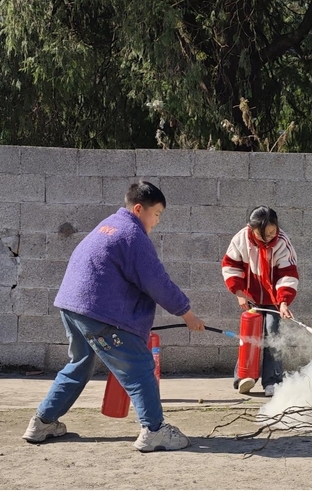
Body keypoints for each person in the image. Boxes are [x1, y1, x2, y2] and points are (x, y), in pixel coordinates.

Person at [22, 181, 206, 452]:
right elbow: (157, 282)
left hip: (72, 308)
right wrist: (187, 313)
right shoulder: (132, 235)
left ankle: (42, 422)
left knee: (79, 364)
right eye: (156, 214)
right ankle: (155, 431)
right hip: (99, 313)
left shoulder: (108, 225)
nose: (157, 221)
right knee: (141, 366)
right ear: (139, 209)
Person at [221, 206, 300, 397]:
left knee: (273, 335)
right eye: (264, 234)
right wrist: (239, 293)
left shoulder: (282, 242)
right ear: (252, 229)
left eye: (273, 231)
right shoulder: (241, 239)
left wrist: (283, 302)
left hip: (274, 300)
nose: (270, 237)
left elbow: (288, 274)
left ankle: (273, 381)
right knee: (250, 335)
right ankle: (244, 377)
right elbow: (230, 266)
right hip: (252, 298)